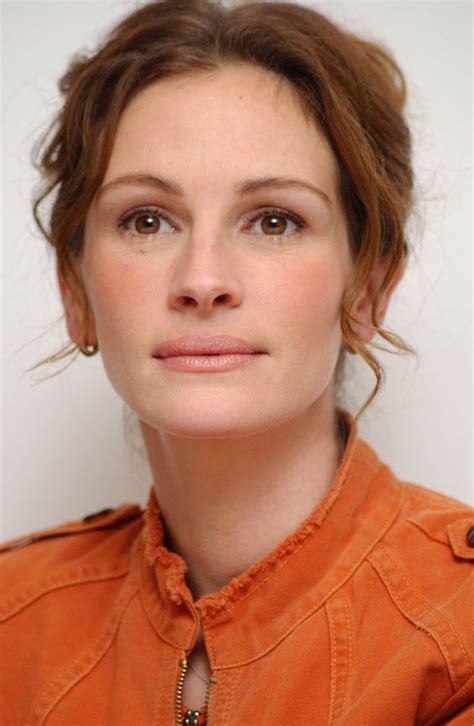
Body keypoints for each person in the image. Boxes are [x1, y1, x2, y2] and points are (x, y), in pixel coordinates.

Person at [1, 0, 472, 724]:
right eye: (147, 219)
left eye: (274, 220)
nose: (202, 279)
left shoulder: (459, 632)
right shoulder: (13, 621)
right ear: (76, 294)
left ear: (368, 288)